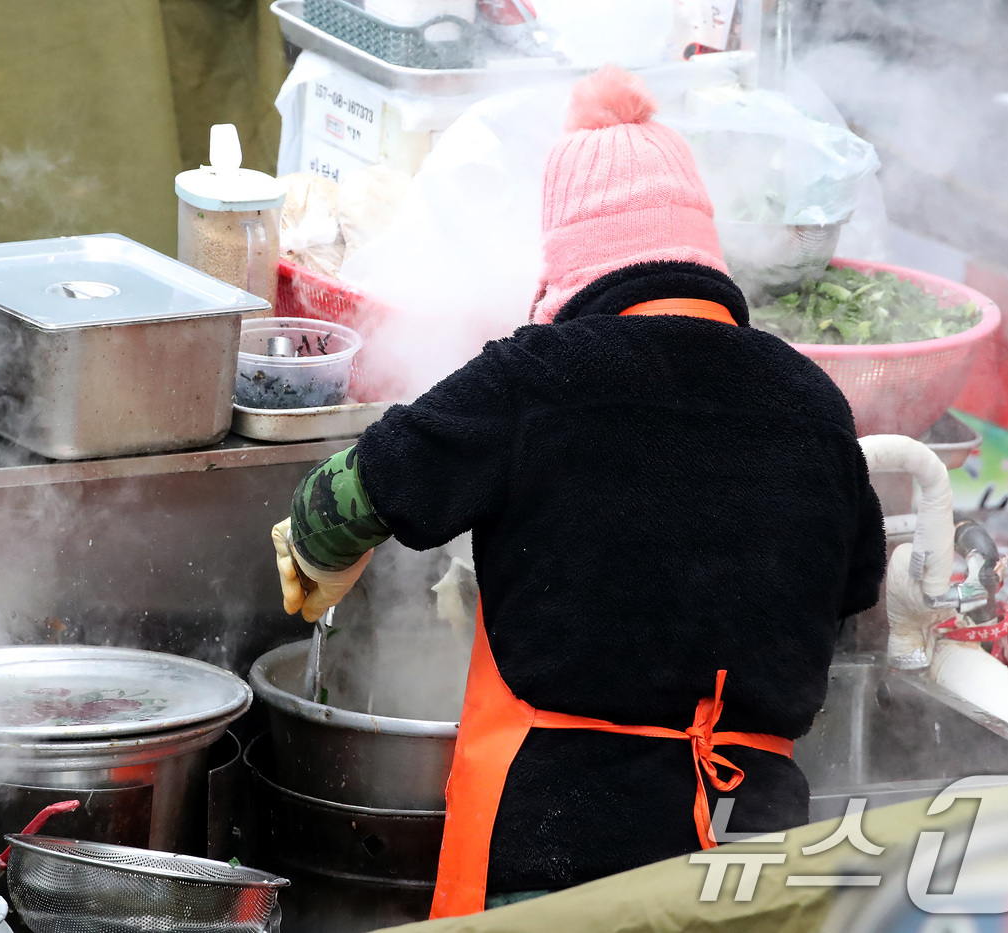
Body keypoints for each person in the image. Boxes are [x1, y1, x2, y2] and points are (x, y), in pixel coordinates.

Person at [270, 66, 888, 917]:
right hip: (756, 852)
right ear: (700, 247)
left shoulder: (542, 378)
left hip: (559, 849)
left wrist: (316, 544)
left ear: (571, 259)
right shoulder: (814, 406)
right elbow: (856, 594)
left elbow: (374, 477)